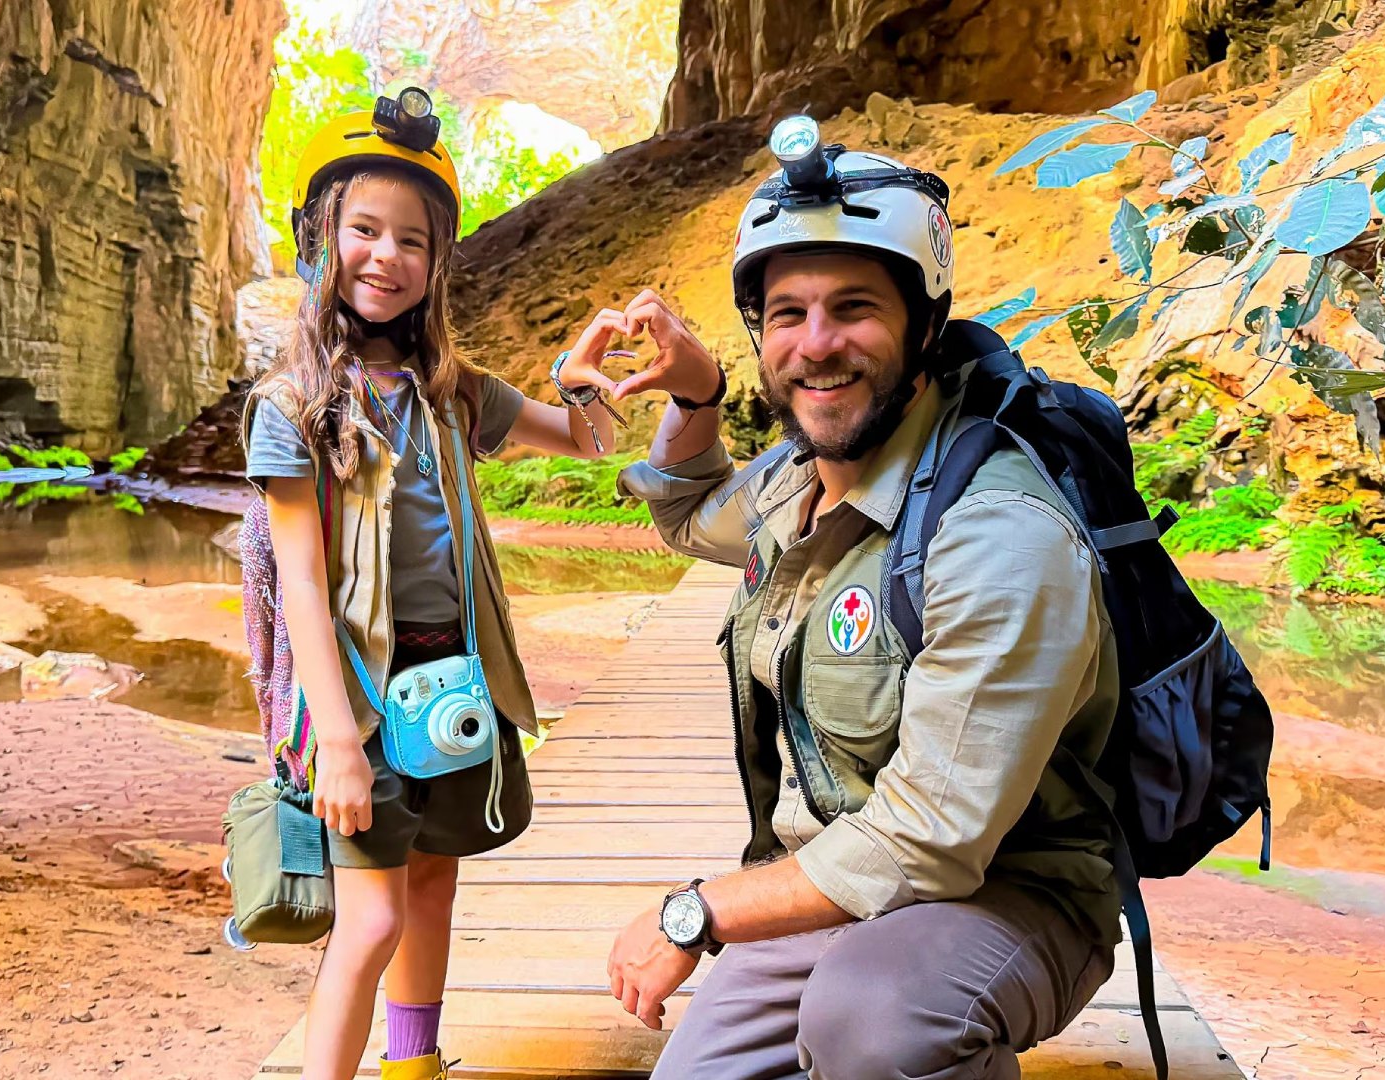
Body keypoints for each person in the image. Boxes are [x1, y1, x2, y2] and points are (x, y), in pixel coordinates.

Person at [594, 123, 1125, 1079]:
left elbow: (931, 844)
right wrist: (699, 390)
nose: (817, 344)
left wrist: (699, 910)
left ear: (925, 323)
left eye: (854, 308)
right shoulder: (800, 479)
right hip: (840, 883)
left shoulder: (999, 531)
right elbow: (682, 514)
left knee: (878, 1023)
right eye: (786, 313)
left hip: (1010, 893)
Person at [243, 89, 625, 1080]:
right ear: (318, 238)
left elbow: (583, 438)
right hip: (357, 704)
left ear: (438, 261)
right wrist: (335, 742)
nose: (387, 255)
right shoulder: (291, 409)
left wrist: (578, 375)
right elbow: (299, 586)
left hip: (451, 685)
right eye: (363, 229)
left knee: (433, 885)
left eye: (413, 239)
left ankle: (413, 1064)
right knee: (368, 919)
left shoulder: (451, 391)